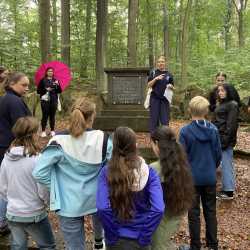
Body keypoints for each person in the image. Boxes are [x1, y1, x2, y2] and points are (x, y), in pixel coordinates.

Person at [33, 97, 112, 250]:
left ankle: (97, 241)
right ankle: (98, 241)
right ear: (92, 115)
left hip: (68, 202)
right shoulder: (103, 139)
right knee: (99, 220)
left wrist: (56, 187)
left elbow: (39, 173)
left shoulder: (58, 141)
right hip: (97, 197)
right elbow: (113, 167)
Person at [97, 126, 165, 250]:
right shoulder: (149, 173)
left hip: (116, 238)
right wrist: (144, 236)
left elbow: (102, 208)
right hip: (140, 239)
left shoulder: (106, 172)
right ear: (135, 145)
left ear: (115, 146)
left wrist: (112, 235)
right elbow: (158, 209)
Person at [0, 116, 56, 249]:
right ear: (33, 135)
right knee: (48, 246)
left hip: (13, 214)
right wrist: (48, 203)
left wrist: (13, 202)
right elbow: (43, 190)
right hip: (34, 213)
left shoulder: (7, 158)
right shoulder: (37, 159)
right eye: (38, 132)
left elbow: (2, 188)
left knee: (18, 247)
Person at [179, 96, 222, 250]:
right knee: (211, 212)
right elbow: (218, 155)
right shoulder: (214, 130)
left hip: (192, 179)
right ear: (206, 111)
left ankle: (195, 246)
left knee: (194, 213)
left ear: (190, 110)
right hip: (209, 178)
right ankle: (212, 244)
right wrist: (211, 167)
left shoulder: (185, 131)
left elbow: (181, 156)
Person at [150, 126, 194, 250]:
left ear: (157, 143)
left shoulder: (153, 169)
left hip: (158, 221)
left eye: (152, 144)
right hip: (174, 216)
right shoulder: (182, 165)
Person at [0, 72, 31, 235]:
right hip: (11, 147)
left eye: (28, 85)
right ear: (12, 84)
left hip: (6, 145)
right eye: (23, 85)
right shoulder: (14, 101)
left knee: (5, 183)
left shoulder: (7, 98)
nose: (27, 88)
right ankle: (3, 221)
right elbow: (22, 127)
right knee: (9, 185)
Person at [212, 84, 239, 200]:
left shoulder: (232, 105)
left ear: (229, 91)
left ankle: (228, 191)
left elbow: (231, 125)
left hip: (225, 140)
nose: (220, 93)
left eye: (223, 91)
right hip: (218, 138)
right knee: (221, 164)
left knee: (227, 164)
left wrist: (224, 141)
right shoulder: (222, 104)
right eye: (219, 91)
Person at [147, 55, 174, 133]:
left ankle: (165, 138)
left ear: (165, 63)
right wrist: (155, 79)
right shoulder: (153, 73)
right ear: (157, 63)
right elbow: (148, 85)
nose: (160, 63)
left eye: (162, 61)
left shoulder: (169, 74)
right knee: (154, 120)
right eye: (159, 62)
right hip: (154, 99)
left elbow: (173, 87)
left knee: (165, 120)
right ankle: (153, 138)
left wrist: (170, 86)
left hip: (164, 100)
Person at [37, 67, 62, 137]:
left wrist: (58, 85)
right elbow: (38, 91)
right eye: (49, 71)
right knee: (45, 115)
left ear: (53, 72)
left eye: (51, 71)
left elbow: (59, 91)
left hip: (54, 100)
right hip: (45, 100)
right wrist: (46, 89)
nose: (50, 72)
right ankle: (43, 131)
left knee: (52, 116)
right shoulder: (43, 80)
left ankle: (52, 130)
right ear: (46, 72)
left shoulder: (56, 80)